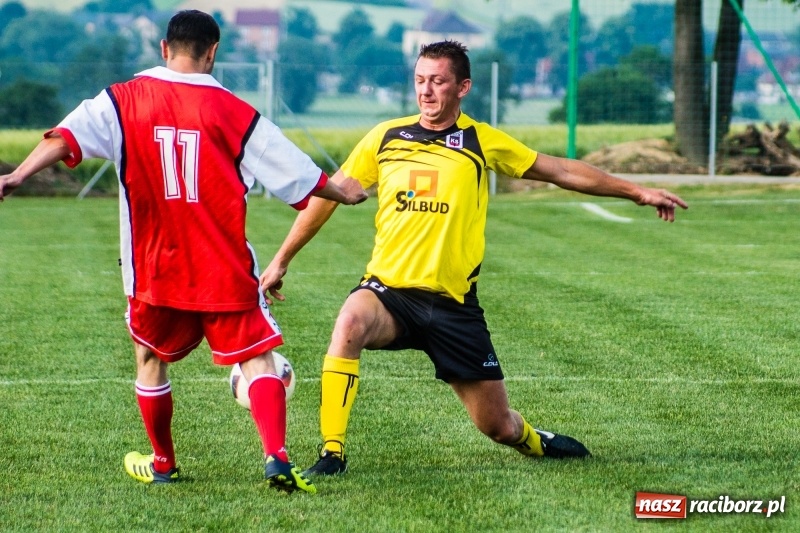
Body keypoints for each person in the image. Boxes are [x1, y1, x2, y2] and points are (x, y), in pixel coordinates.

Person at [259, 40, 688, 477]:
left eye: (438, 81)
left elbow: (559, 170)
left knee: (498, 426)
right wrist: (281, 260)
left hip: (453, 307)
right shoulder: (385, 137)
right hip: (389, 294)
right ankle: (332, 454)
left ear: (463, 86)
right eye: (420, 80)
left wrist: (636, 191)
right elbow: (327, 197)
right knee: (349, 321)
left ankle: (534, 439)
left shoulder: (481, 141)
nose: (426, 91)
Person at [0, 10, 367, 494]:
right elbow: (298, 172)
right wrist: (344, 193)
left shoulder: (122, 99)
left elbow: (64, 137)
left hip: (154, 268)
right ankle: (276, 458)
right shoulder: (235, 111)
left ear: (162, 47)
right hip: (221, 264)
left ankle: (164, 464)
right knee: (258, 357)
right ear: (213, 52)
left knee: (150, 358)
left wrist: (17, 176)